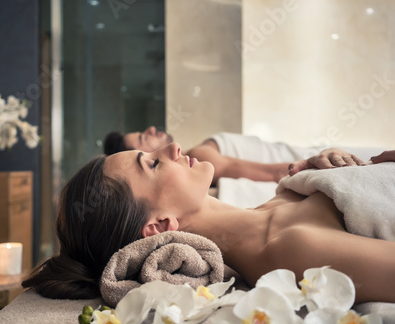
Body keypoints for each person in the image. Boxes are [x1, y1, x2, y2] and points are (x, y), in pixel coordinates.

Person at [23, 144, 395, 304]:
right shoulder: (288, 247)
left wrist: (345, 171)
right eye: (152, 164)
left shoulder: (272, 206)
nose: (172, 149)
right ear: (158, 225)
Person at [103, 127, 371, 185]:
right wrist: (327, 166)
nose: (150, 130)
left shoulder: (198, 153)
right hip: (333, 165)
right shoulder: (201, 157)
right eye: (142, 139)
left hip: (329, 158)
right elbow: (274, 173)